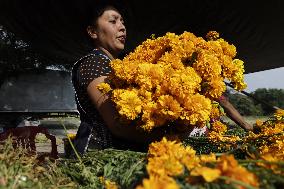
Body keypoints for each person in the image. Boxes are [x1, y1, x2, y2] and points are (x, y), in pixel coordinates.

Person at [71, 3, 252, 155]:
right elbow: (118, 125)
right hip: (99, 154)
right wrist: (171, 138)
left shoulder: (123, 63)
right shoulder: (92, 64)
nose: (122, 27)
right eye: (112, 21)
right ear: (93, 32)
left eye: (122, 21)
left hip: (124, 150)